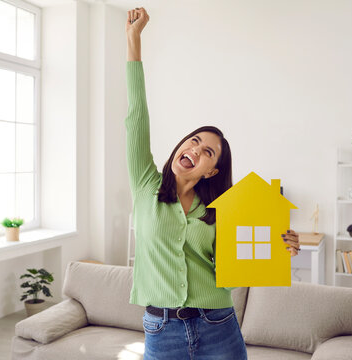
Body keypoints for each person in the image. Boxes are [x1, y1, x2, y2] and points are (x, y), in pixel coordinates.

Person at [125, 7, 301, 359]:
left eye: (208, 152)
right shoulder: (146, 183)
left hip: (219, 325)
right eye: (193, 140)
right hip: (161, 329)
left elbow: (235, 272)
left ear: (211, 171)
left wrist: (280, 249)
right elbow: (136, 116)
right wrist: (133, 40)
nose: (195, 149)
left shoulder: (220, 211)